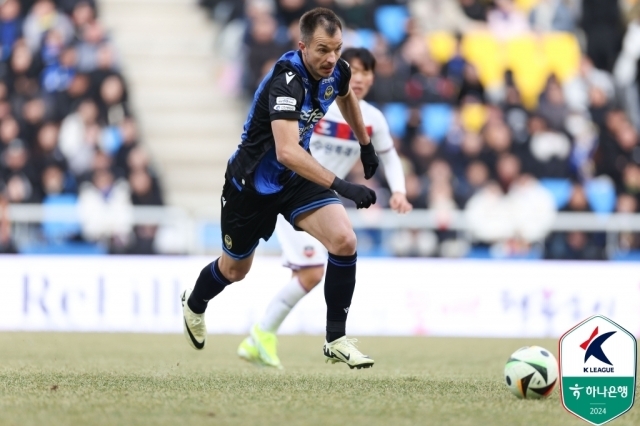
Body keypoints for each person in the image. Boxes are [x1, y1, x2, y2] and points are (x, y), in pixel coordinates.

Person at [181, 8, 380, 370]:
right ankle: (194, 302)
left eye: (336, 49)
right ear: (303, 46)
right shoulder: (286, 81)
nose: (331, 58)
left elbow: (346, 95)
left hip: (292, 179)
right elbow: (286, 150)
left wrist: (364, 143)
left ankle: (335, 338)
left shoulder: (338, 69)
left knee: (344, 240)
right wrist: (343, 186)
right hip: (251, 185)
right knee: (234, 271)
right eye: (322, 49)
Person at [236, 47, 412, 369]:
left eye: (366, 72)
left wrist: (399, 190)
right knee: (312, 271)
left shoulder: (372, 120)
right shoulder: (321, 105)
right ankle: (263, 335)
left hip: (322, 198)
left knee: (319, 267)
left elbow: (389, 156)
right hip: (293, 190)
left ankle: (261, 336)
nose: (359, 78)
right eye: (354, 71)